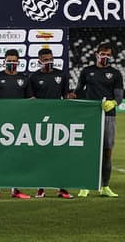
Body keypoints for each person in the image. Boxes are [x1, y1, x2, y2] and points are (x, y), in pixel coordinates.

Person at [70, 42, 123, 198]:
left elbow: (119, 96)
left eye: (108, 55)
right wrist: (71, 96)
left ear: (111, 56)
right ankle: (85, 186)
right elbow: (78, 91)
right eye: (103, 54)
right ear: (96, 54)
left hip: (109, 116)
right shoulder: (87, 71)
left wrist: (113, 102)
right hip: (90, 116)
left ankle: (105, 187)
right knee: (88, 152)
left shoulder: (116, 73)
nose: (105, 57)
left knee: (107, 152)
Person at [0, 49, 32, 200]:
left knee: (15, 156)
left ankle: (15, 189)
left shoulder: (24, 78)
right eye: (9, 61)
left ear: (18, 62)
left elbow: (30, 100)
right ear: (4, 61)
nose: (12, 63)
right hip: (0, 122)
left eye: (14, 61)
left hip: (18, 123)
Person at [27, 48, 74, 199]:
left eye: (50, 59)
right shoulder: (33, 77)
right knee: (41, 155)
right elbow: (30, 99)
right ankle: (40, 188)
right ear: (39, 61)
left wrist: (71, 97)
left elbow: (66, 96)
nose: (49, 62)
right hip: (39, 121)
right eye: (45, 59)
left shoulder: (61, 75)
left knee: (59, 155)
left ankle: (62, 188)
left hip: (59, 120)